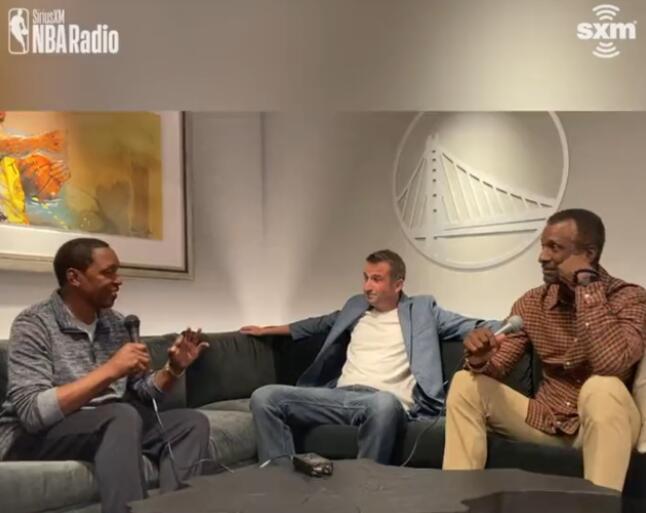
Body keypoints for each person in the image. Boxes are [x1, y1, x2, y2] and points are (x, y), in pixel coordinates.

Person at [0, 238, 212, 513]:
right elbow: (32, 412)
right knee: (121, 415)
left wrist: (174, 369)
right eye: (108, 272)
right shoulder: (34, 324)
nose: (118, 280)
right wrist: (112, 369)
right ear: (74, 277)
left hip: (111, 424)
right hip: (39, 435)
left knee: (190, 423)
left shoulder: (116, 323)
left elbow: (142, 390)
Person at [443, 209, 646, 492]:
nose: (542, 256)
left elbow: (611, 363)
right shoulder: (531, 304)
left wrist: (587, 286)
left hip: (605, 423)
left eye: (555, 248)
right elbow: (499, 366)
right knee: (465, 382)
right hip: (546, 421)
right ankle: (456, 500)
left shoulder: (630, 298)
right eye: (543, 246)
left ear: (588, 254)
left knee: (602, 387)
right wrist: (480, 360)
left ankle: (599, 505)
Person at [241, 249, 496, 465]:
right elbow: (318, 324)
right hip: (339, 397)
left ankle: (365, 487)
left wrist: (509, 327)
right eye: (365, 278)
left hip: (385, 402)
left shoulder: (422, 310)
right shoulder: (355, 307)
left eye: (376, 279)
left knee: (383, 404)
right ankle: (280, 481)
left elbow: (475, 325)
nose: (367, 287)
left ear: (398, 284)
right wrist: (268, 330)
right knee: (264, 397)